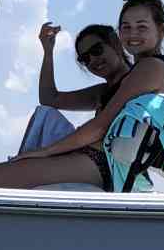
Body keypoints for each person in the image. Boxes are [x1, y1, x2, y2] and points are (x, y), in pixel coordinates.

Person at [0, 0, 164, 190]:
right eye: (126, 27)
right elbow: (50, 99)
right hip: (95, 160)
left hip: (102, 163)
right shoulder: (110, 88)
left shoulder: (151, 67)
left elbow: (100, 127)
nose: (132, 33)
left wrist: (45, 152)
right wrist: (48, 51)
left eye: (141, 26)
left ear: (161, 29)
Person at [14, 22, 130, 153]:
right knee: (45, 115)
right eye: (85, 59)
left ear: (115, 43)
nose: (92, 60)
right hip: (91, 157)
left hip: (112, 163)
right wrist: (48, 51)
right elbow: (49, 99)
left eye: (97, 50)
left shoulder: (141, 79)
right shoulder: (102, 93)